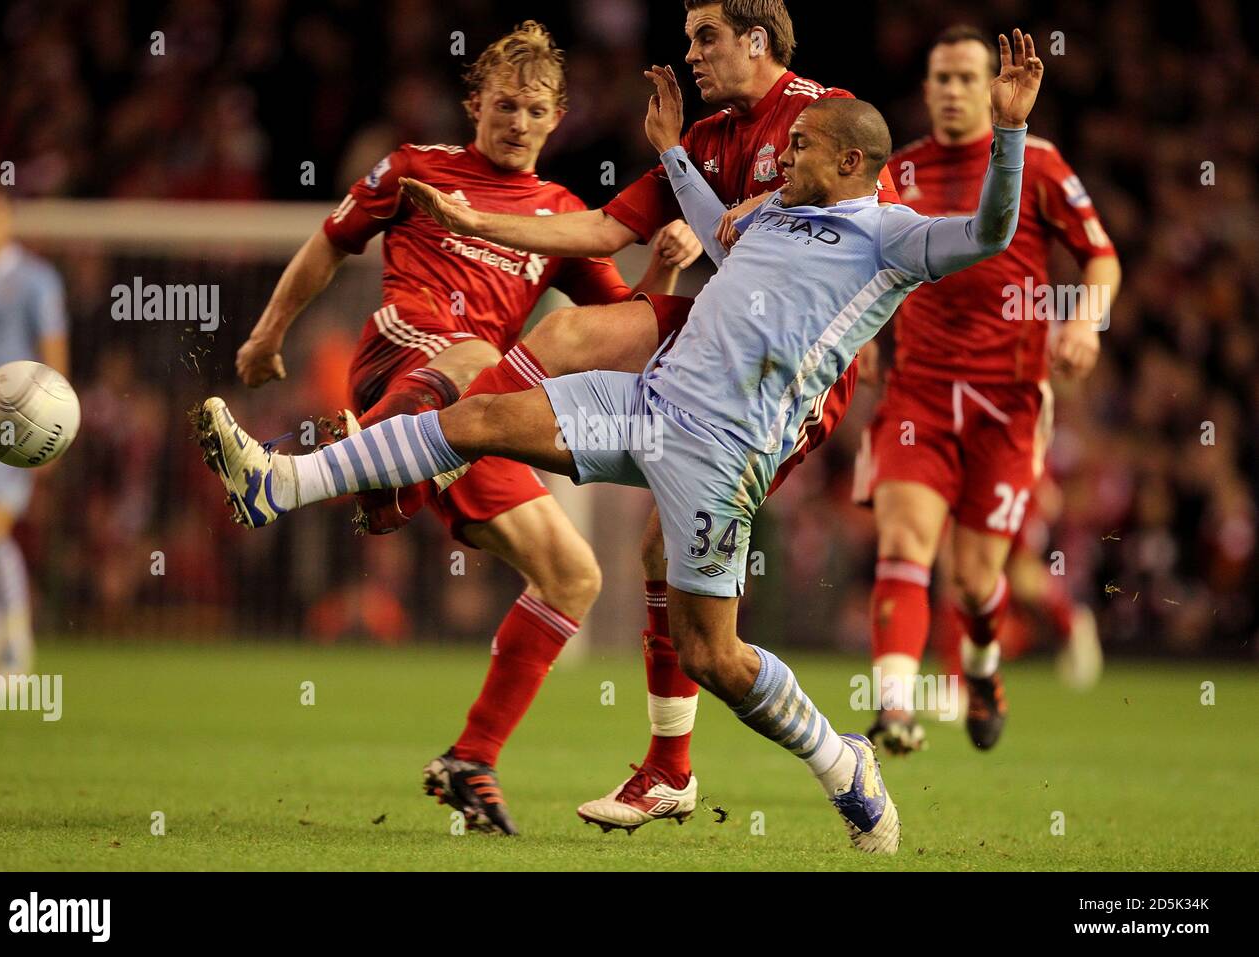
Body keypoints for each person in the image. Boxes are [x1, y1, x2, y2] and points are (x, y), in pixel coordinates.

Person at [197, 29, 1045, 853]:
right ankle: (281, 483)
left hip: (722, 457)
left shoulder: (891, 238)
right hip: (644, 404)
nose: (783, 163)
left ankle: (840, 760)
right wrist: (674, 152)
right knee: (481, 417)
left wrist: (1009, 133)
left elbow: (991, 232)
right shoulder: (776, 217)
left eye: (801, 152)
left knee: (714, 653)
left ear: (850, 162)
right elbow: (711, 221)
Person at [399, 0, 901, 832]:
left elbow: (876, 232)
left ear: (757, 40)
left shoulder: (818, 121)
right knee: (576, 352)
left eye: (707, 37)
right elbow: (599, 230)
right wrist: (468, 217)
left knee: (680, 586)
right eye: (688, 37)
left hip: (774, 385)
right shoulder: (703, 140)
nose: (691, 54)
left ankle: (706, 764)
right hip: (709, 346)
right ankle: (672, 769)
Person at [226, 22, 691, 835]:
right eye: (505, 104)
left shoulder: (560, 217)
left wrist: (666, 274)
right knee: (479, 352)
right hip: (402, 364)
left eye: (536, 109)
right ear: (475, 105)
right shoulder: (416, 171)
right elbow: (329, 245)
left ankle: (472, 757)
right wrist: (269, 334)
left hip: (472, 420)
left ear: (556, 121)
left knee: (574, 575)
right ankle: (371, 471)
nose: (517, 120)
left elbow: (619, 325)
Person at [852, 26, 1119, 753]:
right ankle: (896, 707)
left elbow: (1100, 259)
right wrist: (861, 343)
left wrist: (1084, 325)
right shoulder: (897, 173)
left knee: (976, 583)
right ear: (927, 87)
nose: (952, 91)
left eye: (967, 78)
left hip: (1009, 400)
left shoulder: (1037, 164)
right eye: (940, 78)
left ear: (990, 85)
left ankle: (982, 668)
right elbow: (859, 268)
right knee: (906, 541)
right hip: (921, 392)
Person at [0, 180, 69, 675]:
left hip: (9, 419)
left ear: (6, 221)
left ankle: (13, 647)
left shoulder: (36, 280)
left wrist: (56, 427)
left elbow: (52, 352)